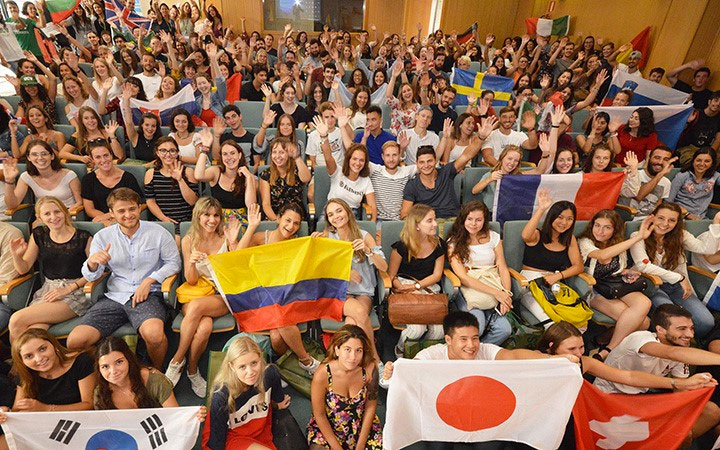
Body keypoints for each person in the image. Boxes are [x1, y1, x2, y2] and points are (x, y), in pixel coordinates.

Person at [65, 188, 181, 369]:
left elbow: (174, 263)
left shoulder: (158, 232)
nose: (128, 215)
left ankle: (154, 374)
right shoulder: (103, 237)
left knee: (155, 336)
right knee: (75, 341)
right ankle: (108, 372)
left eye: (132, 209)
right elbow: (92, 275)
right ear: (111, 213)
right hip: (115, 296)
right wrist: (93, 263)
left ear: (139, 208)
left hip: (148, 296)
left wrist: (149, 280)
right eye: (121, 211)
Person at [593, 304, 720, 444]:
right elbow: (672, 354)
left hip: (640, 398)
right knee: (667, 435)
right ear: (660, 330)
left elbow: (679, 393)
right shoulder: (641, 338)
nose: (690, 335)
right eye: (681, 329)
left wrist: (679, 421)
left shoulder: (680, 349)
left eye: (691, 328)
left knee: (694, 425)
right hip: (609, 396)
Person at [380, 311, 580, 388]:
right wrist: (390, 375)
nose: (471, 345)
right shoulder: (431, 355)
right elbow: (406, 372)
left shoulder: (484, 350)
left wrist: (554, 360)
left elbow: (513, 355)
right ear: (448, 339)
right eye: (463, 339)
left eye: (475, 338)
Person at [166, 197, 240, 396]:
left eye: (216, 215)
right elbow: (190, 280)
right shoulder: (188, 240)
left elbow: (236, 273)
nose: (212, 220)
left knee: (197, 307)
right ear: (198, 216)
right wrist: (191, 262)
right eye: (207, 215)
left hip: (220, 294)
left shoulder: (226, 237)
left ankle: (176, 360)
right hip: (196, 291)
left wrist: (233, 243)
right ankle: (192, 371)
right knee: (204, 326)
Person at [539, 320, 715, 390]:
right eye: (571, 349)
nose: (578, 354)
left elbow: (629, 376)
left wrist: (680, 383)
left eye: (582, 347)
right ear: (551, 347)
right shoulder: (534, 359)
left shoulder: (585, 362)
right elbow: (673, 353)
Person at [630, 202, 720, 339]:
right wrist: (679, 278)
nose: (665, 224)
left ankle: (687, 340)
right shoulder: (637, 235)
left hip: (676, 286)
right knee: (672, 321)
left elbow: (706, 249)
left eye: (672, 220)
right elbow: (643, 265)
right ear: (652, 217)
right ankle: (666, 343)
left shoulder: (680, 235)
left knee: (706, 322)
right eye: (661, 218)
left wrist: (716, 224)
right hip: (652, 285)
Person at [7, 197, 92, 340]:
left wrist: (68, 289)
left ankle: (19, 357)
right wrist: (16, 255)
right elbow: (23, 269)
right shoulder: (39, 234)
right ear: (39, 218)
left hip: (75, 292)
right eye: (47, 214)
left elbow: (97, 272)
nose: (53, 217)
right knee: (32, 333)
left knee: (16, 320)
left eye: (57, 212)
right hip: (48, 290)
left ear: (65, 212)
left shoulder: (84, 236)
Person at [313, 199, 387, 362]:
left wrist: (368, 251)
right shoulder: (327, 237)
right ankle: (374, 359)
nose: (336, 216)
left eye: (339, 211)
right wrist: (345, 273)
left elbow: (383, 267)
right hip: (339, 292)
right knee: (359, 312)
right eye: (330, 214)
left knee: (351, 322)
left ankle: (345, 360)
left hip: (363, 292)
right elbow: (320, 271)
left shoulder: (364, 236)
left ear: (347, 211)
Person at [0, 329, 95, 449]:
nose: (39, 358)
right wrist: (6, 413)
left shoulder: (81, 362)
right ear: (22, 361)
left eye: (42, 349)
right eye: (29, 356)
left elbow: (89, 405)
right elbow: (19, 410)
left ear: (54, 345)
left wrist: (45, 408)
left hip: (78, 425)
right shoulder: (25, 374)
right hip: (42, 427)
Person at [578, 210, 654, 360]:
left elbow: (618, 268)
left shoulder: (618, 243)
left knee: (645, 303)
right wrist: (638, 237)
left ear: (615, 230)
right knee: (643, 323)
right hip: (593, 288)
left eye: (607, 227)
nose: (600, 231)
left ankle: (606, 346)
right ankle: (605, 345)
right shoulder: (585, 242)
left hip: (614, 286)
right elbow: (602, 255)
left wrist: (627, 272)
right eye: (597, 225)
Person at [202, 336, 291, 449]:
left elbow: (277, 400)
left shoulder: (270, 374)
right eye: (242, 367)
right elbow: (217, 442)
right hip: (230, 436)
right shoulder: (222, 395)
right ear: (232, 367)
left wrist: (278, 405)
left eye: (254, 363)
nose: (250, 372)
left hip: (260, 431)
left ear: (260, 358)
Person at [401, 117, 496, 220]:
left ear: (435, 161)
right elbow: (404, 215)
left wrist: (481, 138)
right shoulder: (412, 185)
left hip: (453, 220)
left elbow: (466, 156)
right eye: (422, 162)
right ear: (417, 164)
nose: (426, 165)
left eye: (429, 161)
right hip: (429, 222)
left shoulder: (446, 171)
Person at [447, 201, 513, 346]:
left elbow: (502, 267)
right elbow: (463, 277)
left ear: (484, 220)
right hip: (470, 290)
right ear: (463, 219)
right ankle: (468, 352)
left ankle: (478, 353)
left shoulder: (494, 237)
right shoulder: (454, 242)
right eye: (469, 219)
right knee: (478, 327)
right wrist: (497, 293)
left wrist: (506, 295)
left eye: (478, 220)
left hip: (493, 284)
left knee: (504, 330)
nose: (473, 224)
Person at [307, 325, 382, 450]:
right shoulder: (322, 375)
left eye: (358, 350)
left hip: (361, 427)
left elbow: (370, 408)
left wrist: (360, 446)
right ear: (337, 350)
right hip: (330, 429)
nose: (353, 357)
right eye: (347, 349)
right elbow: (319, 415)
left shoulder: (369, 370)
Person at [520, 191, 585, 328]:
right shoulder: (537, 234)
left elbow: (578, 266)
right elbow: (525, 236)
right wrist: (541, 209)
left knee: (577, 323)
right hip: (530, 284)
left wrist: (558, 276)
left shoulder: (569, 239)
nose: (564, 223)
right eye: (560, 217)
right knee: (552, 324)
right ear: (552, 217)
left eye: (569, 219)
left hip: (555, 284)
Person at [389, 204, 446, 356]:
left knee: (439, 331)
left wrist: (417, 286)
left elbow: (437, 275)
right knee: (416, 329)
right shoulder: (402, 246)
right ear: (417, 225)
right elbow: (391, 275)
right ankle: (401, 350)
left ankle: (422, 353)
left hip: (428, 288)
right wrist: (401, 287)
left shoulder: (439, 244)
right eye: (429, 221)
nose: (435, 224)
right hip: (405, 288)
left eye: (434, 219)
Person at [94, 336, 186, 409]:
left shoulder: (155, 382)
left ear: (129, 360)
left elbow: (175, 417)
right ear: (99, 369)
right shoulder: (101, 392)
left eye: (119, 362)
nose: (113, 371)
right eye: (105, 366)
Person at [315, 117, 376, 221]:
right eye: (354, 159)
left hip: (351, 214)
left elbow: (372, 206)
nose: (357, 163)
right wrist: (324, 137)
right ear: (348, 159)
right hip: (332, 210)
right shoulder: (337, 171)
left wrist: (372, 225)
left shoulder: (366, 181)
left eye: (361, 160)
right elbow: (328, 157)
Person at [3, 141, 82, 212]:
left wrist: (65, 214)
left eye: (44, 154)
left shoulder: (69, 175)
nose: (40, 158)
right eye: (34, 154)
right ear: (29, 158)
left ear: (52, 156)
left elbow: (79, 202)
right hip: (43, 216)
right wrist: (9, 181)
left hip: (68, 213)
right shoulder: (26, 176)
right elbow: (12, 205)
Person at [195, 137, 256, 228]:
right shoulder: (216, 171)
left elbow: (251, 206)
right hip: (217, 221)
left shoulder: (248, 177)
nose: (229, 157)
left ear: (239, 155)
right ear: (222, 157)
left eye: (232, 153)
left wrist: (249, 177)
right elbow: (198, 176)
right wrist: (204, 150)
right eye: (225, 154)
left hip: (241, 223)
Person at [145, 137, 199, 235]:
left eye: (172, 151)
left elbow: (193, 201)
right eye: (163, 151)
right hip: (161, 222)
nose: (168, 154)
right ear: (157, 153)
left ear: (177, 153)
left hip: (185, 222)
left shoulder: (188, 172)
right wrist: (164, 219)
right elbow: (150, 201)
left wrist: (180, 180)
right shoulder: (150, 173)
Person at [82, 143, 144, 226]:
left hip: (125, 220)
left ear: (111, 155)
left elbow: (139, 204)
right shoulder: (88, 179)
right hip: (99, 222)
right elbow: (89, 209)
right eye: (98, 157)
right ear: (92, 160)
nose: (103, 160)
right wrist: (105, 221)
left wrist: (112, 218)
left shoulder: (128, 178)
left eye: (106, 155)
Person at [618, 146, 677, 220]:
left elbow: (658, 206)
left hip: (650, 220)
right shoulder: (632, 174)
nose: (660, 162)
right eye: (657, 158)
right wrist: (660, 175)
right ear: (648, 158)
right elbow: (638, 196)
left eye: (666, 159)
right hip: (629, 219)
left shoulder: (666, 182)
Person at [259, 137, 310, 220]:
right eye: (274, 152)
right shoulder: (266, 175)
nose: (277, 156)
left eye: (282, 152)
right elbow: (266, 205)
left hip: (296, 216)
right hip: (275, 217)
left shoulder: (297, 170)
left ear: (288, 154)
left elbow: (306, 179)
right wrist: (277, 222)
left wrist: (296, 157)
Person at [368, 141, 417, 223]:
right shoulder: (375, 170)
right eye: (387, 155)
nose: (391, 159)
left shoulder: (406, 171)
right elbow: (355, 154)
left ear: (399, 156)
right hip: (379, 220)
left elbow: (427, 164)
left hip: (401, 221)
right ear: (383, 157)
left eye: (394, 155)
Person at [668, 147, 720, 220]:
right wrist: (687, 214)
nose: (702, 164)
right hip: (681, 217)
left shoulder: (715, 176)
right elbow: (668, 201)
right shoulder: (682, 176)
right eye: (698, 160)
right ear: (693, 161)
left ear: (712, 164)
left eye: (707, 161)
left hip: (701, 218)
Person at [676, 91, 720, 163]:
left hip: (705, 150)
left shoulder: (718, 119)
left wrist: (710, 155)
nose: (718, 104)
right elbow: (678, 130)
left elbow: (717, 140)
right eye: (716, 100)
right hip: (687, 147)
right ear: (709, 102)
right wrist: (688, 121)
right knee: (692, 161)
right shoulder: (695, 113)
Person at [385, 61, 421, 136]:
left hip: (411, 137)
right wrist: (394, 77)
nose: (407, 93)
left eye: (409, 90)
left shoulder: (417, 107)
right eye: (404, 92)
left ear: (413, 92)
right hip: (395, 137)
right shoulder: (397, 104)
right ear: (401, 95)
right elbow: (388, 96)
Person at [306, 102, 345, 170]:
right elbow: (312, 161)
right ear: (321, 117)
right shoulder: (313, 135)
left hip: (340, 169)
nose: (330, 120)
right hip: (322, 170)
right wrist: (320, 173)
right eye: (326, 117)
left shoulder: (341, 131)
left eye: (332, 116)